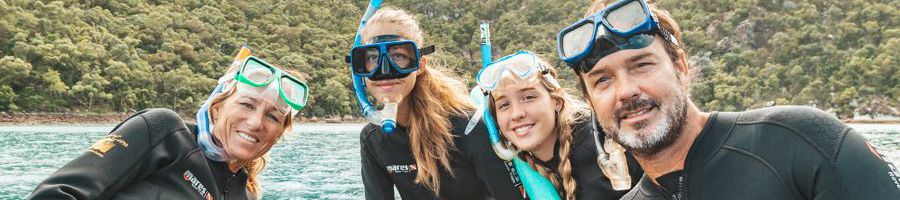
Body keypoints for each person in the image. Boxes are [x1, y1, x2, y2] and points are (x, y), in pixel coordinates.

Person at [555, 0, 900, 199]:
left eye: (642, 65)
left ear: (680, 66)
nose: (626, 91)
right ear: (590, 100)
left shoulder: (802, 142)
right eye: (603, 81)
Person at [28, 46, 310, 200]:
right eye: (246, 104)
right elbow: (55, 194)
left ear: (278, 134)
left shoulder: (246, 196)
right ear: (219, 105)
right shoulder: (163, 132)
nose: (256, 122)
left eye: (272, 116)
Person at [351, 7, 524, 200]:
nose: (384, 70)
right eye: (373, 57)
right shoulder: (372, 138)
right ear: (360, 69)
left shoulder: (470, 126)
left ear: (419, 65)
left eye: (398, 55)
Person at [476, 51, 642, 199]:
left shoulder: (600, 144)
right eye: (504, 105)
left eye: (528, 97)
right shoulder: (522, 168)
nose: (516, 114)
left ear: (556, 101)